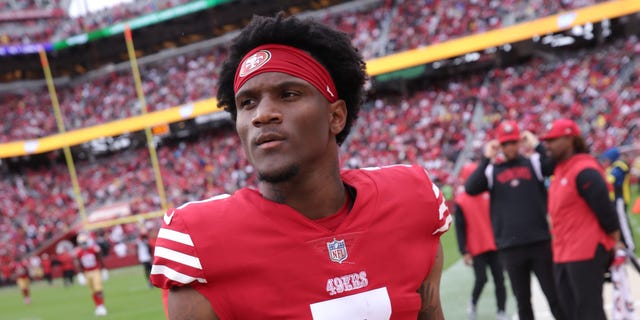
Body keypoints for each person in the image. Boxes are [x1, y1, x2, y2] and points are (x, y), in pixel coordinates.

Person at [150, 12, 452, 320]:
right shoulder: (200, 243)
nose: (262, 115)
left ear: (336, 116)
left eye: (288, 94)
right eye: (248, 103)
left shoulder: (410, 199)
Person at [465, 120, 566, 320]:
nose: (509, 147)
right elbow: (471, 187)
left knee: (554, 296)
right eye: (505, 144)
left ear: (520, 142)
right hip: (510, 247)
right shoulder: (492, 170)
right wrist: (486, 157)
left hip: (539, 242)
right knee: (523, 301)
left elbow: (554, 164)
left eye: (513, 142)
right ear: (499, 146)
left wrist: (536, 144)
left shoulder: (534, 163)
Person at [541, 119, 622, 320]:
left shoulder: (584, 170)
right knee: (570, 312)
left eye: (552, 140)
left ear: (570, 140)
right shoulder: (561, 168)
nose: (547, 145)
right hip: (563, 252)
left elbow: (606, 211)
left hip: (585, 252)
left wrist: (614, 241)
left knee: (590, 311)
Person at [454, 162, 506, 320]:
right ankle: (473, 303)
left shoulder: (488, 193)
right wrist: (464, 251)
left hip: (494, 244)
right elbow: (460, 228)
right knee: (481, 279)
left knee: (500, 279)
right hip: (476, 247)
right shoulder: (461, 200)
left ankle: (501, 311)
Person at [600, 147, 635, 252]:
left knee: (622, 222)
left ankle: (629, 245)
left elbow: (611, 179)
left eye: (607, 158)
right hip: (614, 199)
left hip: (620, 199)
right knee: (618, 222)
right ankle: (624, 244)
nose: (606, 161)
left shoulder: (619, 167)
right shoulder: (613, 167)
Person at [74, 232, 108, 316]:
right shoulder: (79, 252)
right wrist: (80, 274)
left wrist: (103, 269)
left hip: (95, 270)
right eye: (81, 243)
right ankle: (98, 306)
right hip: (86, 272)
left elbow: (100, 259)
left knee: (98, 289)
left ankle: (102, 306)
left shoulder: (94, 249)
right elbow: (78, 264)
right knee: (92, 291)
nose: (83, 245)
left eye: (84, 243)